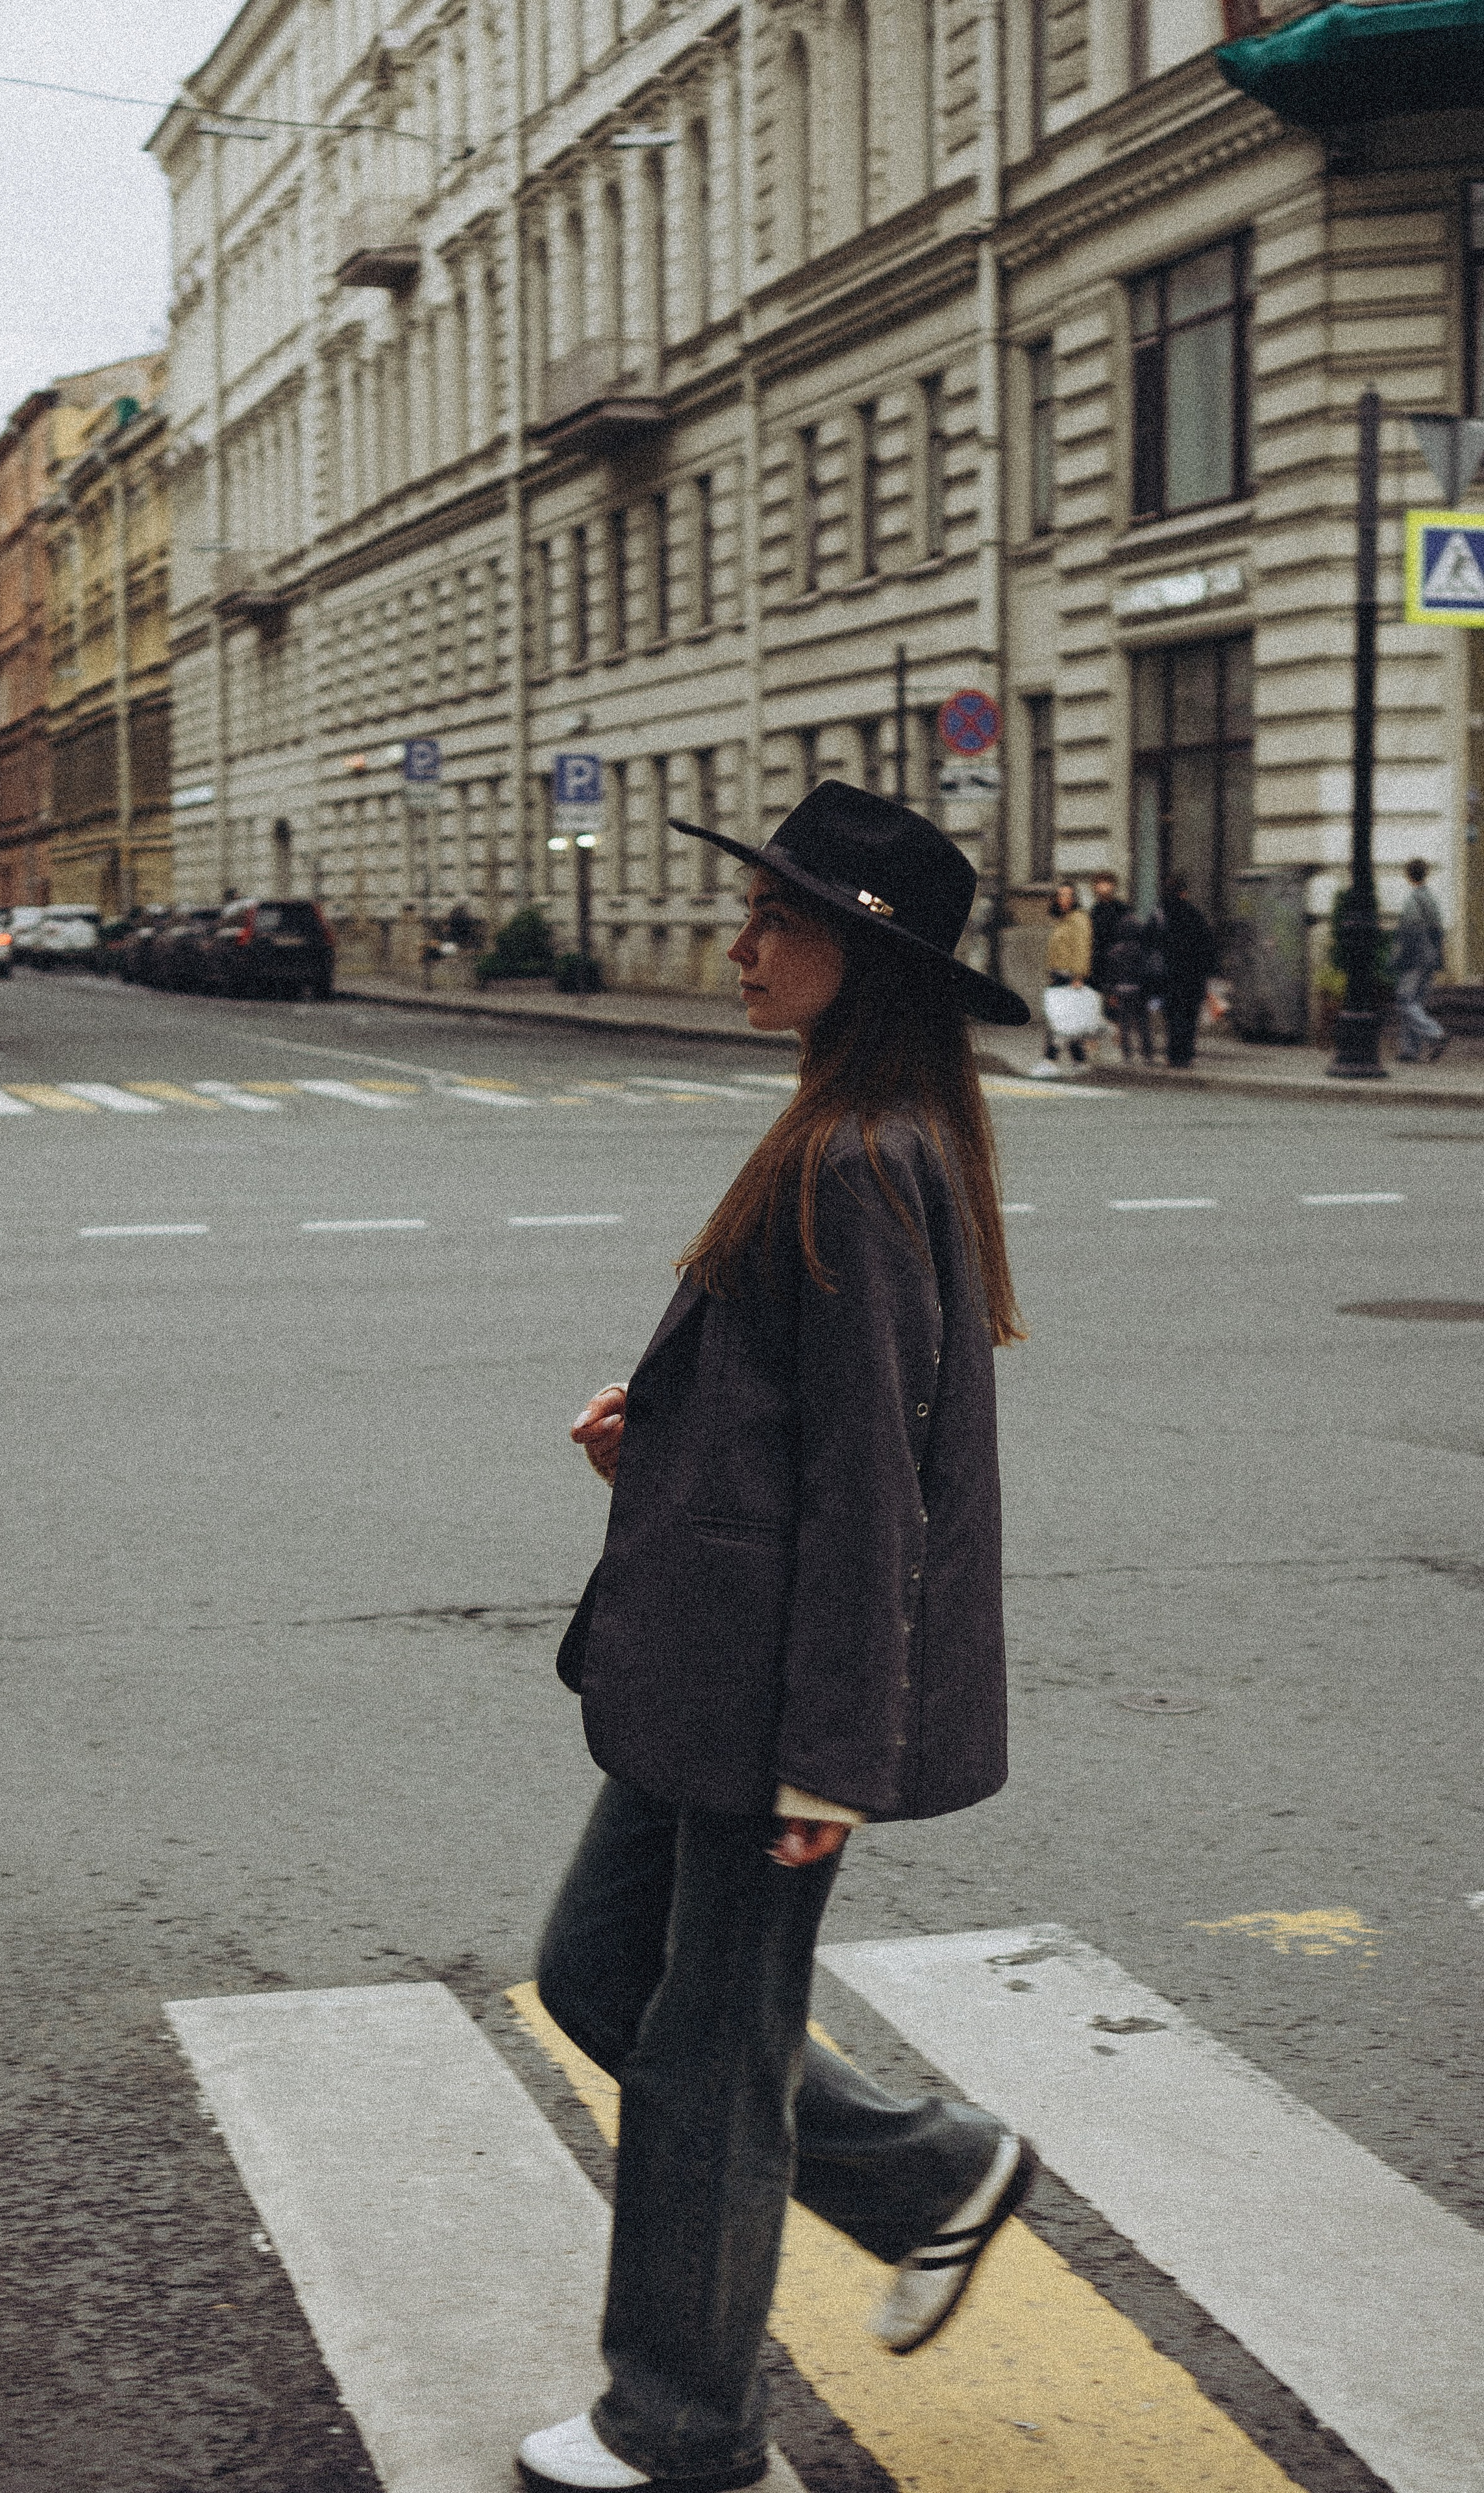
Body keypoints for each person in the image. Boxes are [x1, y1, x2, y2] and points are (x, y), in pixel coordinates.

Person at [519, 782, 1037, 2493]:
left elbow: (882, 1483)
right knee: (600, 1973)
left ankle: (681, 2425)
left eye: (779, 921)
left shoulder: (869, 1156)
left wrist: (837, 1748)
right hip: (707, 1674)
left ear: (865, 960)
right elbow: (797, 1416)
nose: (741, 944)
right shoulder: (837, 1126)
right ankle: (920, 2172)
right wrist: (656, 1431)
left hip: (771, 1704)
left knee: (709, 2056)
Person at [1150, 872, 1216, 1068]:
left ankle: (1173, 1055)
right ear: (1184, 893)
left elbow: (1149, 942)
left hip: (1168, 976)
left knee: (1172, 1017)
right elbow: (1207, 947)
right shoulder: (1195, 914)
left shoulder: (1160, 915)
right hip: (1193, 977)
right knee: (1189, 1017)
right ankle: (1186, 1055)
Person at [1030, 877, 1094, 1077]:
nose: (1064, 899)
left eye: (1068, 896)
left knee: (1059, 1020)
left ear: (1075, 898)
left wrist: (1079, 976)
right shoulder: (1064, 920)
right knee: (1067, 1020)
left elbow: (1082, 949)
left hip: (1070, 977)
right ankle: (1080, 1061)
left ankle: (1050, 1060)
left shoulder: (1079, 919)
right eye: (1060, 896)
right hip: (1058, 976)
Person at [1393, 858, 1447, 1063]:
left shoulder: (1412, 900)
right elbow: (1438, 932)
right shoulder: (1431, 899)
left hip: (1415, 959)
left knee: (1405, 1000)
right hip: (1430, 959)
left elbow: (1409, 932)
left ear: (1408, 875)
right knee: (1416, 1002)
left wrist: (1397, 958)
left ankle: (1436, 1033)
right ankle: (1410, 1051)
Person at [1103, 905, 1153, 1062]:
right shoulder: (1142, 951)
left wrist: (1110, 992)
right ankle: (1147, 1053)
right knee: (1142, 1023)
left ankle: (1127, 1053)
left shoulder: (1114, 952)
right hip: (1138, 990)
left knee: (1124, 1024)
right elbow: (1146, 973)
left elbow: (1110, 975)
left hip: (1121, 991)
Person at [1087, 871, 1128, 997]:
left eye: (1106, 883)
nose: (1103, 887)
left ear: (1113, 886)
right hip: (1098, 967)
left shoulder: (1121, 909)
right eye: (1099, 883)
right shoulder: (1094, 911)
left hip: (1118, 967)